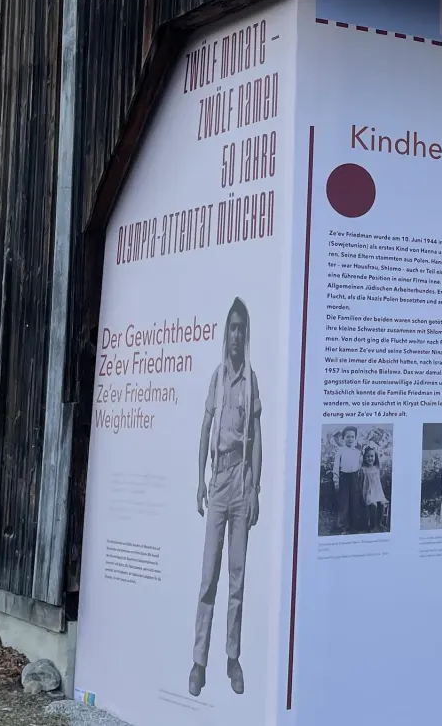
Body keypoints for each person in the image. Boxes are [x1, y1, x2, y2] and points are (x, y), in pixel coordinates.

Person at [191, 298, 262, 698]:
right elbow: (205, 429)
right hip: (218, 481)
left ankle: (232, 658)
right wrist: (200, 480)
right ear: (225, 334)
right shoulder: (217, 378)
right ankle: (198, 661)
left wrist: (255, 490)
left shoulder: (252, 380)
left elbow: (258, 439)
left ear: (246, 335)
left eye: (241, 329)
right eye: (231, 328)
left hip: (241, 480)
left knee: (238, 576)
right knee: (208, 576)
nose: (236, 335)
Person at [332, 427, 363, 532]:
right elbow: (336, 468)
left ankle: (354, 526)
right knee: (343, 503)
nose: (350, 439)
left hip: (354, 478)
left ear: (355, 438)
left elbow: (359, 466)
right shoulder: (340, 452)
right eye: (348, 437)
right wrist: (336, 482)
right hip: (344, 478)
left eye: (352, 437)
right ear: (343, 438)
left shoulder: (357, 452)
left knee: (355, 502)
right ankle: (342, 527)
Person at [361, 446, 388, 532]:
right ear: (365, 458)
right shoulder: (363, 470)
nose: (370, 458)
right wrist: (363, 496)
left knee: (383, 503)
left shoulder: (376, 468)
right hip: (368, 492)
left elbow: (378, 484)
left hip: (377, 492)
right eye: (368, 456)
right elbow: (363, 484)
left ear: (375, 457)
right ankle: (372, 526)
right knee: (374, 504)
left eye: (372, 456)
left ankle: (379, 523)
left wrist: (382, 495)